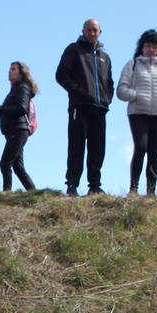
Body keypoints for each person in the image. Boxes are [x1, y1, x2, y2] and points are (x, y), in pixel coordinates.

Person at [115, 29, 157, 196]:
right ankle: (133, 189)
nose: (151, 49)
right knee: (141, 147)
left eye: (155, 46)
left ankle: (151, 192)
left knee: (154, 152)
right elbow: (121, 90)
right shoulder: (132, 64)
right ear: (142, 47)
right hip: (138, 112)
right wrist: (135, 95)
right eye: (148, 45)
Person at [55, 18, 113, 196]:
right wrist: (78, 91)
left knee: (97, 149)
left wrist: (107, 99)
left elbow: (109, 82)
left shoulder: (105, 57)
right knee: (76, 147)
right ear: (83, 31)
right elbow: (61, 75)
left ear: (100, 32)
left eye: (95, 30)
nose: (92, 33)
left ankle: (95, 185)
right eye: (88, 30)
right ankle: (72, 185)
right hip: (79, 107)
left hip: (99, 109)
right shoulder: (74, 50)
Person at [0, 61, 38, 192]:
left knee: (5, 163)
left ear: (21, 74)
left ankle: (6, 192)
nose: (9, 71)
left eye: (13, 69)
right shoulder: (15, 89)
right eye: (10, 69)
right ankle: (33, 192)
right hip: (15, 130)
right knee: (18, 166)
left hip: (18, 130)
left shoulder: (22, 88)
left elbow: (21, 109)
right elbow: (7, 113)